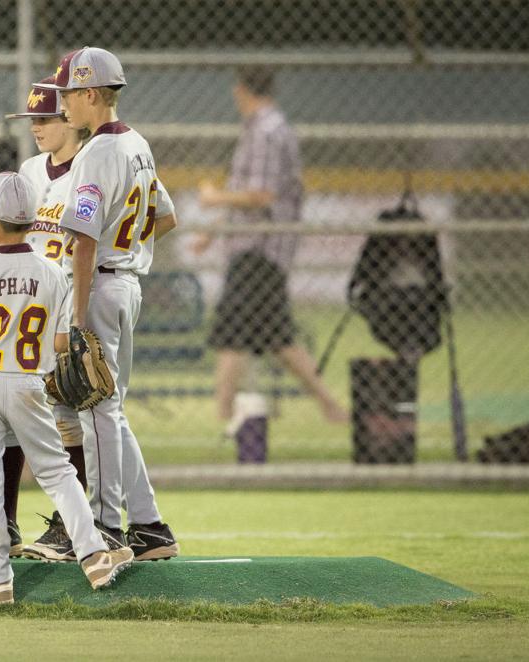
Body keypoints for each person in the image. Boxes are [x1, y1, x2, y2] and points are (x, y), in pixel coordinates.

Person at [0, 171, 134, 604]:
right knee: (57, 471)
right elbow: (60, 342)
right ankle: (95, 555)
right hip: (27, 382)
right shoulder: (52, 272)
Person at [35, 47, 180, 560]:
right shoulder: (138, 145)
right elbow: (166, 218)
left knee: (94, 409)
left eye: (70, 93)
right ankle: (151, 526)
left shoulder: (96, 153)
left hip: (97, 284)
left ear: (91, 93)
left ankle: (103, 524)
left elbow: (85, 240)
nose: (64, 102)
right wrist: (132, 248)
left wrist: (74, 317)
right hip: (127, 283)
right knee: (111, 409)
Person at [0, 78, 92, 563]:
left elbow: (151, 218)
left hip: (74, 297)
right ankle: (4, 524)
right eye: (31, 120)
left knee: (76, 418)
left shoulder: (94, 166)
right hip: (29, 299)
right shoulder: (30, 171)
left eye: (46, 118)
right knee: (16, 420)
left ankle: (81, 528)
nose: (36, 128)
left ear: (71, 119)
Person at [191, 66, 348, 429]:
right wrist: (214, 232)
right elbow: (251, 196)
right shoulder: (266, 129)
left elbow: (261, 196)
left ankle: (224, 420)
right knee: (278, 337)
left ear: (243, 90)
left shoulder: (265, 131)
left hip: (258, 249)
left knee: (230, 334)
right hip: (258, 247)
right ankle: (331, 407)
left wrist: (214, 199)